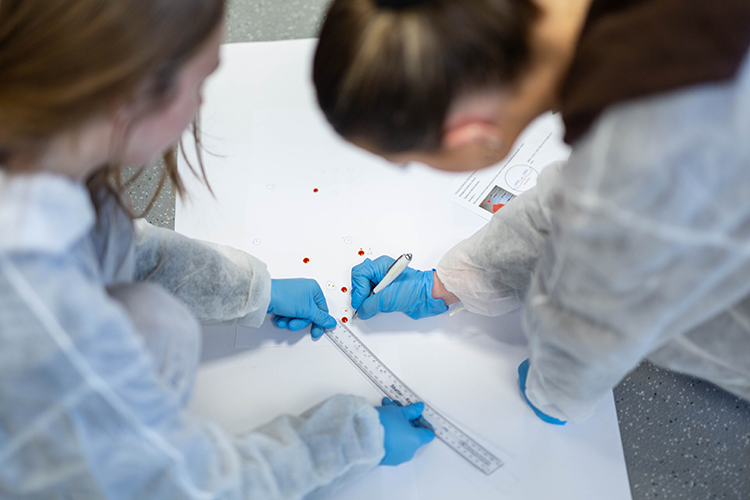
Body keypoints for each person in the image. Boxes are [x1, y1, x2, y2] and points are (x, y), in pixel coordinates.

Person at [0, 1, 433, 498]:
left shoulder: (34, 155)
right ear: (132, 97)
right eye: (202, 82)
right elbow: (189, 486)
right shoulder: (38, 310)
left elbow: (121, 248)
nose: (202, 106)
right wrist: (352, 440)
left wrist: (254, 289)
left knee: (153, 317)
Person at [313, 0, 750, 424]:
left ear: (471, 135)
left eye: (408, 160)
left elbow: (597, 311)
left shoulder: (651, 139)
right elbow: (587, 200)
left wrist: (554, 390)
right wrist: (454, 281)